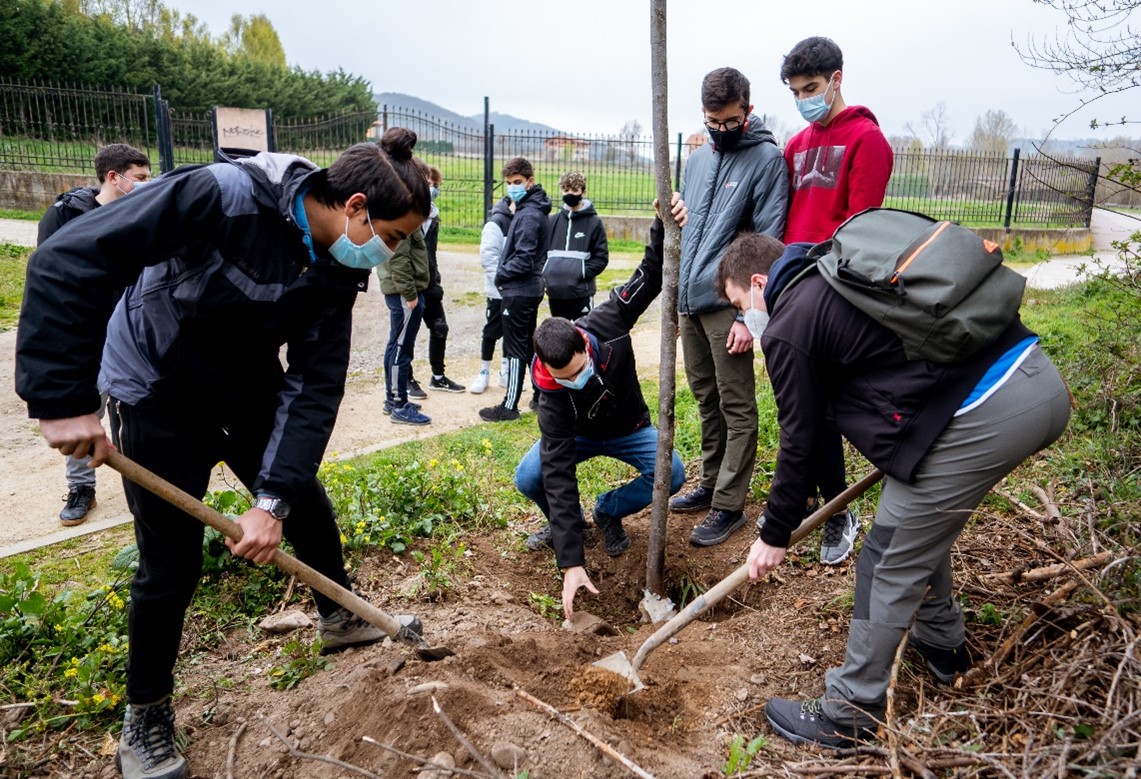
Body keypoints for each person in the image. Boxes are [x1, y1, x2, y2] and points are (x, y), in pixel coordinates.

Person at [16, 129, 431, 779]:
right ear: (355, 207)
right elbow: (69, 259)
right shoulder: (220, 196)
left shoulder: (333, 268)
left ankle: (342, 617)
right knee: (169, 562)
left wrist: (271, 501)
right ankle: (146, 713)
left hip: (242, 388)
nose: (389, 253)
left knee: (304, 503)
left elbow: (315, 387)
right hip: (154, 390)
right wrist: (62, 398)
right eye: (395, 236)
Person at [715, 234, 1071, 750]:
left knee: (885, 558)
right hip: (1030, 379)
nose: (745, 318)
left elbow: (801, 437)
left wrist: (774, 533)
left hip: (985, 407)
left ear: (757, 283)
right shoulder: (832, 274)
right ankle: (943, 646)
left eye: (738, 305)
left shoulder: (790, 322)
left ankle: (851, 708)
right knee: (916, 530)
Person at [518, 195, 688, 618]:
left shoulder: (608, 321)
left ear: (582, 342)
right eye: (563, 378)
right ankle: (569, 524)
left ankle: (608, 510)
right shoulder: (549, 386)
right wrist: (571, 562)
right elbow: (557, 466)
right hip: (578, 436)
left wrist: (663, 224)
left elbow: (649, 276)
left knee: (675, 472)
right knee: (529, 476)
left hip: (629, 428)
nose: (572, 380)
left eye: (577, 370)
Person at [780, 36, 896, 565]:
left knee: (824, 407)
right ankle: (803, 496)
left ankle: (837, 510)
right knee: (795, 404)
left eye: (812, 87)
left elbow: (860, 229)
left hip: (832, 290)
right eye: (797, 90)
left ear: (837, 79)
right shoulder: (796, 145)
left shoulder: (867, 141)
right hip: (788, 288)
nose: (805, 97)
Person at [669, 66, 788, 547]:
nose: (721, 130)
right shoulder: (697, 160)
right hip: (690, 301)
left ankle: (729, 505)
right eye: (712, 121)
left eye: (730, 120)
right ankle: (710, 482)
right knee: (705, 397)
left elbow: (768, 241)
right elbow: (686, 231)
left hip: (727, 302)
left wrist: (747, 316)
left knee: (736, 402)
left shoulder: (766, 160)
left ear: (748, 110)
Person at [36, 143, 151, 527]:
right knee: (88, 409)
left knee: (142, 409)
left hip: (136, 329)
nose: (146, 185)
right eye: (139, 178)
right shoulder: (66, 217)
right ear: (114, 178)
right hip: (91, 332)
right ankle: (82, 487)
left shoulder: (146, 212)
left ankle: (150, 490)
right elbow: (51, 280)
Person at [479, 157, 551, 422]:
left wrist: (500, 274)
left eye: (517, 182)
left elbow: (525, 257)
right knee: (528, 345)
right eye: (509, 183)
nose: (512, 187)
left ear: (529, 182)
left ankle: (509, 406)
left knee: (515, 348)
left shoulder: (530, 214)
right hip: (525, 289)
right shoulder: (529, 208)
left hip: (520, 290)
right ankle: (539, 395)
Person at [377, 157, 435, 426]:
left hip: (404, 291)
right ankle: (399, 404)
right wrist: (410, 295)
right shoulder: (404, 211)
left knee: (396, 344)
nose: (429, 186)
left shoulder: (403, 207)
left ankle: (393, 399)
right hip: (405, 293)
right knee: (402, 348)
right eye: (426, 182)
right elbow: (398, 259)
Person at [416, 164, 465, 394]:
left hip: (431, 282)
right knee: (406, 335)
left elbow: (431, 253)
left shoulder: (433, 214)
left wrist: (435, 279)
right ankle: (404, 380)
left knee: (440, 328)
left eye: (436, 186)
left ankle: (438, 377)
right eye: (429, 185)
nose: (433, 189)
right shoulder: (406, 214)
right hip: (412, 284)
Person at [544, 171, 609, 320]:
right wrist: (547, 272)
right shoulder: (551, 221)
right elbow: (542, 254)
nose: (569, 194)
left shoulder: (594, 223)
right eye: (566, 190)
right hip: (555, 293)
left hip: (581, 292)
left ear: (583, 192)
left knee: (583, 334)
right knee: (560, 335)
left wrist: (579, 272)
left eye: (574, 190)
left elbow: (601, 258)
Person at [470, 194, 513, 394]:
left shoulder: (522, 220)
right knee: (491, 331)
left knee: (510, 331)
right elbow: (488, 258)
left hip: (516, 292)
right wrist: (503, 283)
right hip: (498, 291)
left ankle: (505, 370)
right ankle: (484, 371)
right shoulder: (495, 224)